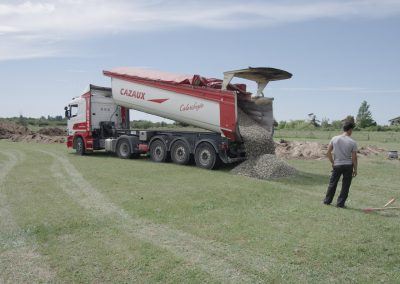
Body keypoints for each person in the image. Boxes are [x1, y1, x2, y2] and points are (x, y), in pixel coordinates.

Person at [323, 121, 358, 208]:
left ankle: (327, 201)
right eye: (352, 130)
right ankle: (340, 203)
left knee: (332, 183)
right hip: (348, 166)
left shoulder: (334, 138)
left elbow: (328, 153)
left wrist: (333, 162)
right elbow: (354, 158)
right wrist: (355, 169)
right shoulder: (353, 142)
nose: (352, 132)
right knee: (345, 185)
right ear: (350, 130)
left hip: (337, 165)